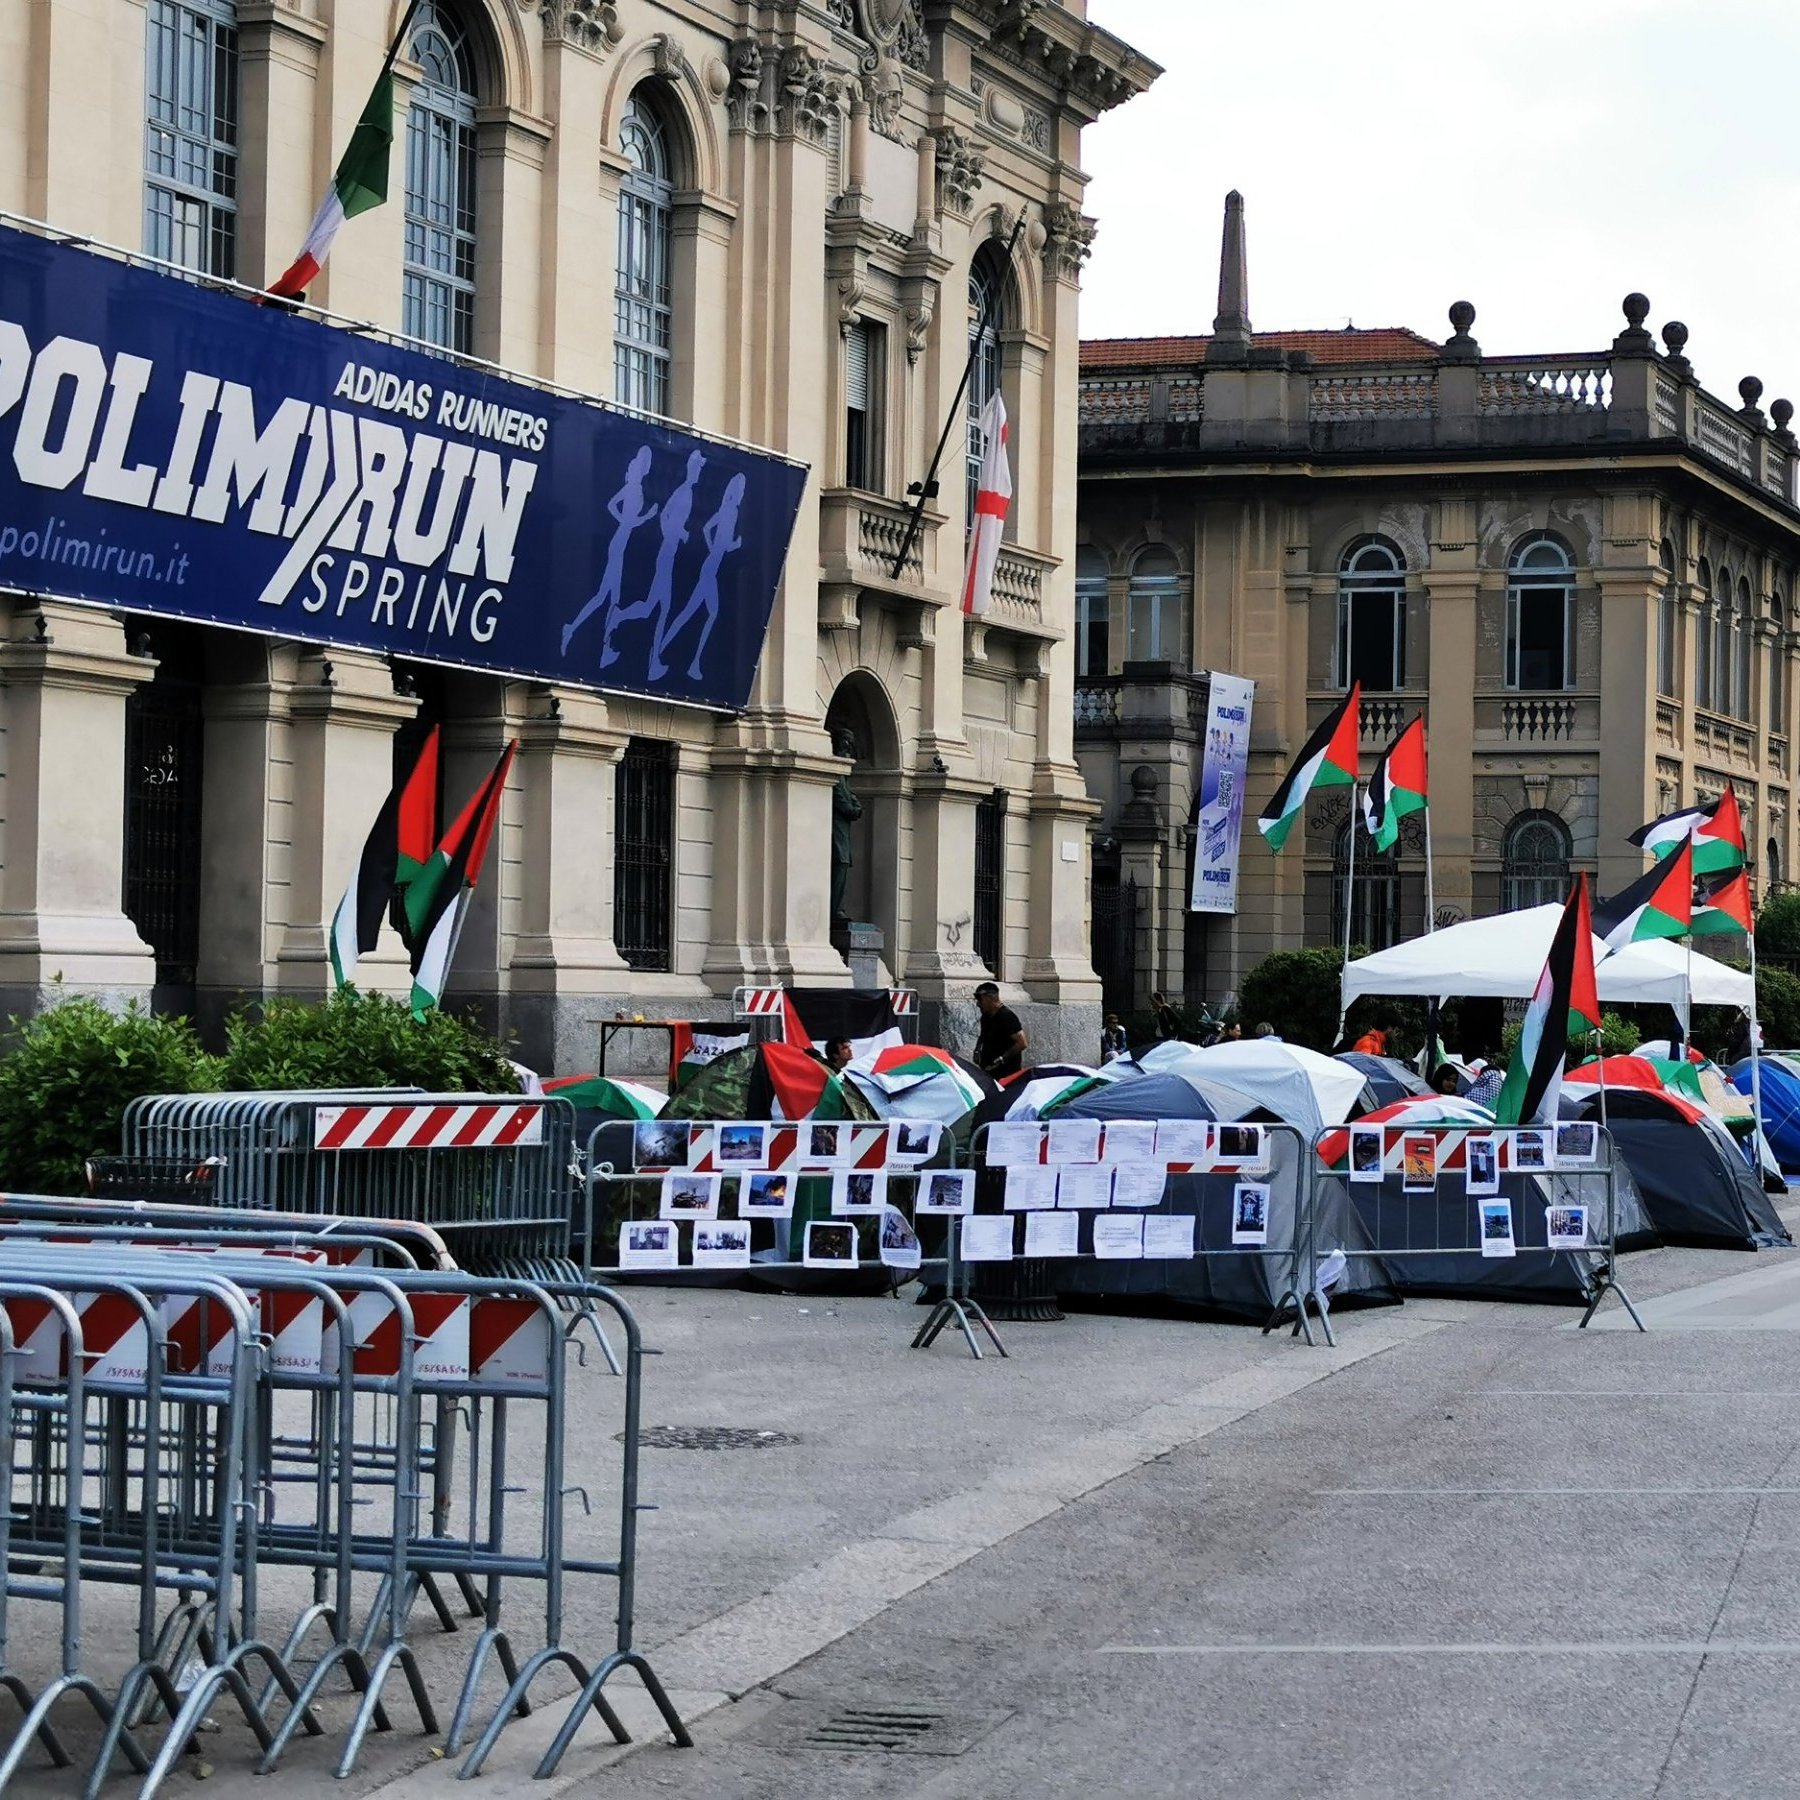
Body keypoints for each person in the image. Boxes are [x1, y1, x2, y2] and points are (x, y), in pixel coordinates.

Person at [973, 981, 1027, 1077]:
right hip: (989, 1070)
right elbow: (983, 1035)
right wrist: (977, 1050)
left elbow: (1022, 1043)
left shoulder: (1007, 1016)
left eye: (980, 999)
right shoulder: (985, 1017)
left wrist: (1002, 1058)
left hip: (1007, 1073)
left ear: (990, 998)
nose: (978, 1004)